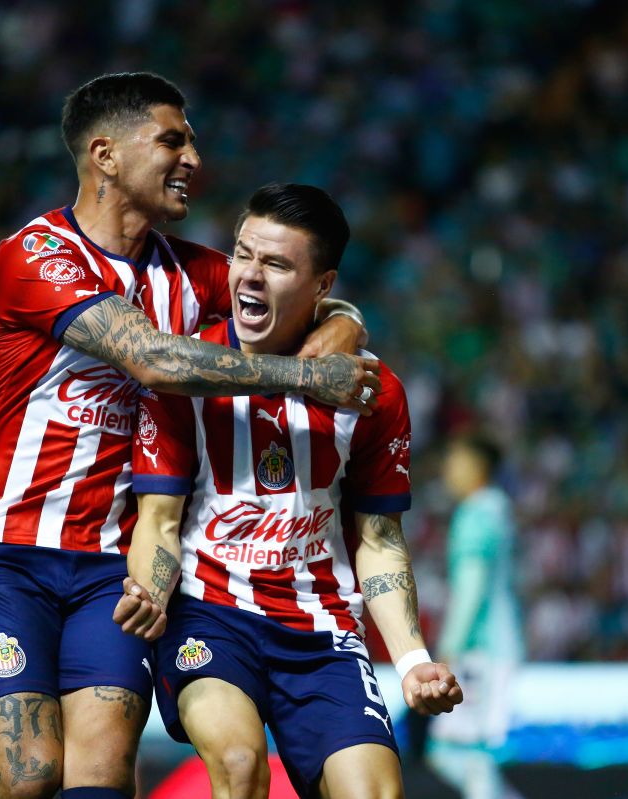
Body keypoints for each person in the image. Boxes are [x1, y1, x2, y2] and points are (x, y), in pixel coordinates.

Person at [0, 74, 379, 799]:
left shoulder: (193, 272)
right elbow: (153, 358)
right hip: (1, 553)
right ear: (105, 155)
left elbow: (299, 295)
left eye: (193, 140)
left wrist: (344, 322)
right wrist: (302, 377)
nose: (194, 158)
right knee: (28, 775)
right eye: (173, 139)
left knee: (103, 774)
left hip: (113, 567)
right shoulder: (36, 255)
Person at [114, 183, 462, 799]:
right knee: (241, 763)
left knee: (374, 793)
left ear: (323, 286)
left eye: (275, 264)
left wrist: (412, 662)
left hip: (321, 630)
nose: (248, 276)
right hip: (208, 613)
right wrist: (150, 592)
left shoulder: (372, 394)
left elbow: (379, 539)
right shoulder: (185, 376)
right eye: (243, 254)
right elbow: (158, 521)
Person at [429, 434, 523, 799]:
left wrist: (450, 648)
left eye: (455, 461)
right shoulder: (499, 510)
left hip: (480, 649)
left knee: (460, 755)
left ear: (477, 467)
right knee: (474, 757)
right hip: (499, 644)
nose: (448, 471)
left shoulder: (476, 515)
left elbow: (472, 588)